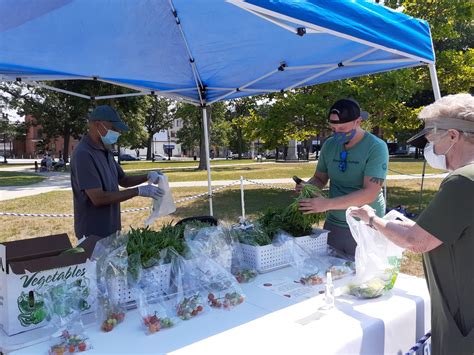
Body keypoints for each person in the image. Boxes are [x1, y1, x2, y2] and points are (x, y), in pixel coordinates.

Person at [349, 94, 474, 354]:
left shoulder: (462, 181)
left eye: (431, 140)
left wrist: (371, 219)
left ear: (453, 136)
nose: (431, 151)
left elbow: (416, 241)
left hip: (464, 323)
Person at [296, 98, 388, 259]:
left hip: (365, 224)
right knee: (333, 273)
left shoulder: (376, 147)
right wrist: (309, 187)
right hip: (334, 222)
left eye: (342, 128)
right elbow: (319, 177)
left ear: (358, 121)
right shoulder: (329, 145)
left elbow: (370, 193)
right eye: (333, 128)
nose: (337, 133)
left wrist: (327, 204)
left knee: (364, 277)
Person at [71, 105, 164, 239]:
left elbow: (123, 180)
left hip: (111, 228)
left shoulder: (105, 150)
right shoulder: (83, 154)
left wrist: (148, 175)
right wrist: (138, 191)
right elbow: (98, 198)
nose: (117, 133)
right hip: (92, 233)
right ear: (97, 124)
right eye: (114, 128)